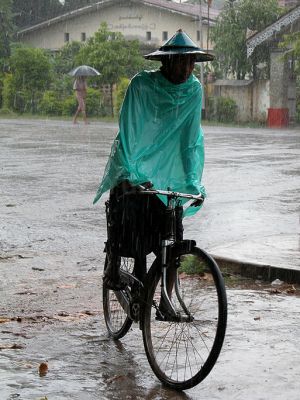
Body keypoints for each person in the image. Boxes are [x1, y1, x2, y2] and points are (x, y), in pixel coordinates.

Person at [93, 29, 214, 290]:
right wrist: (131, 173)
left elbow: (190, 139)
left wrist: (192, 180)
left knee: (173, 238)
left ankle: (167, 301)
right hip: (133, 162)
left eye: (192, 62)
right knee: (127, 219)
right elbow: (130, 131)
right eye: (182, 62)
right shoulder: (141, 85)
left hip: (169, 173)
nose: (187, 68)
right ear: (166, 61)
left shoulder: (193, 90)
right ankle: (113, 267)